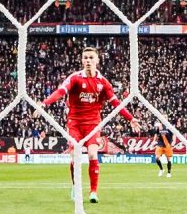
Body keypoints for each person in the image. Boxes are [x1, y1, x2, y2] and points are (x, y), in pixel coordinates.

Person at [39, 47, 140, 203]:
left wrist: (130, 118)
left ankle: (93, 192)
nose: (88, 60)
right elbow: (60, 92)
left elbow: (115, 103)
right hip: (74, 122)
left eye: (91, 57)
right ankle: (75, 186)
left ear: (97, 60)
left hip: (93, 123)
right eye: (85, 57)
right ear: (81, 60)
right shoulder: (75, 78)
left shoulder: (103, 82)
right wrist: (45, 104)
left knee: (93, 154)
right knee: (74, 156)